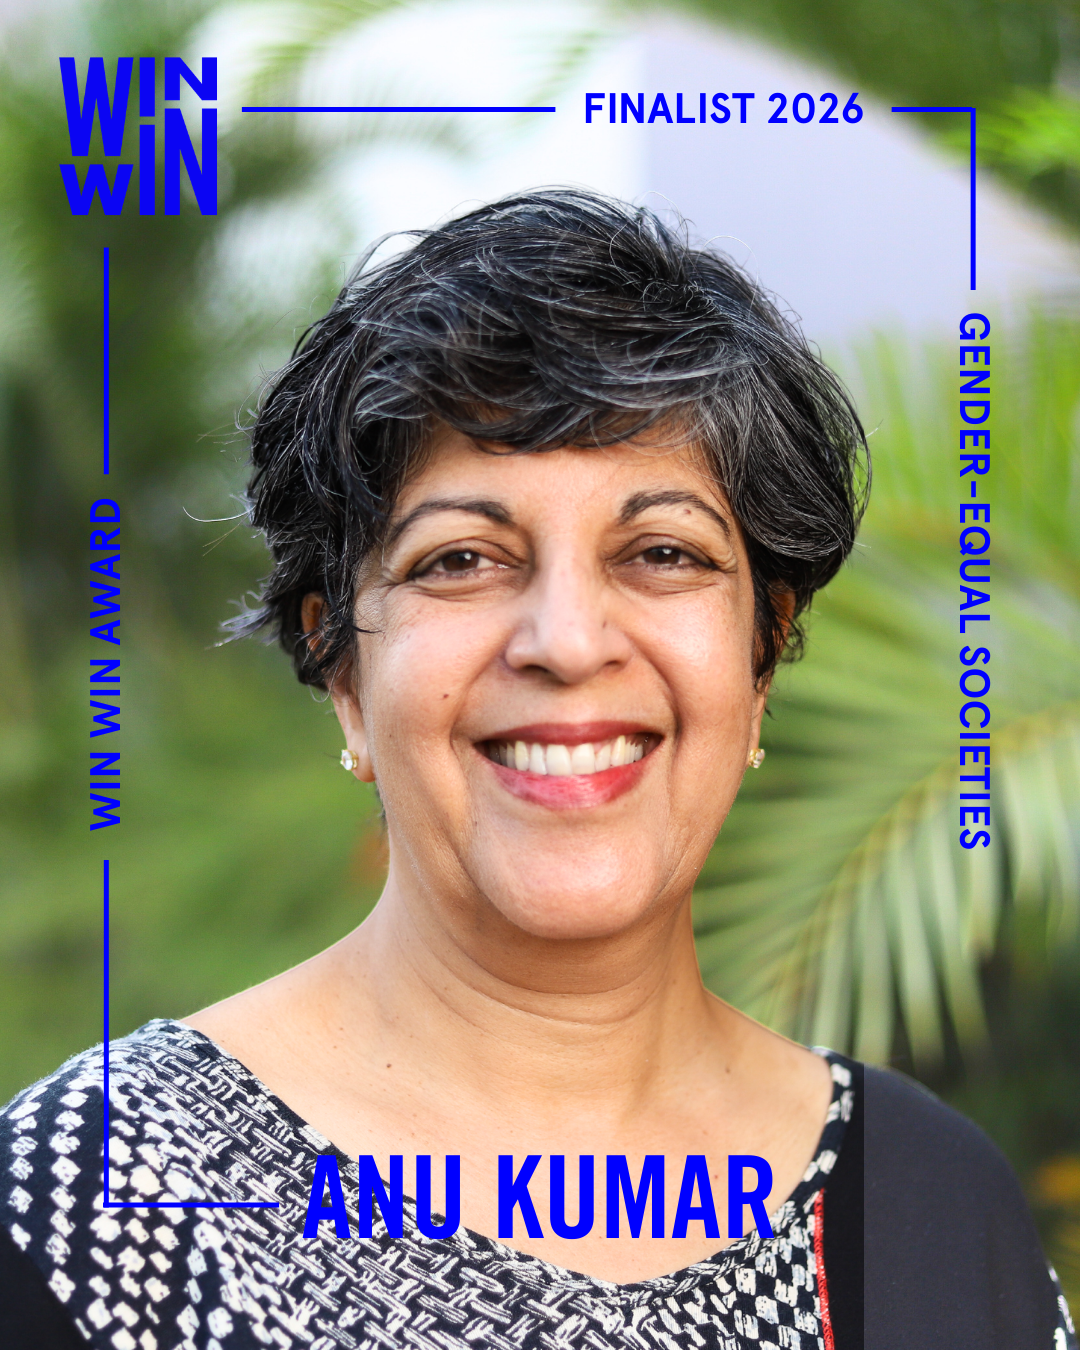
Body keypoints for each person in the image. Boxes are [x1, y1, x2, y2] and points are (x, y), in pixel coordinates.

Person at [0, 189, 1073, 1350]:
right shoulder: (97, 1208)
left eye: (661, 553)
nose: (566, 642)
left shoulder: (926, 1207)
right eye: (462, 559)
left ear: (761, 656)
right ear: (341, 665)